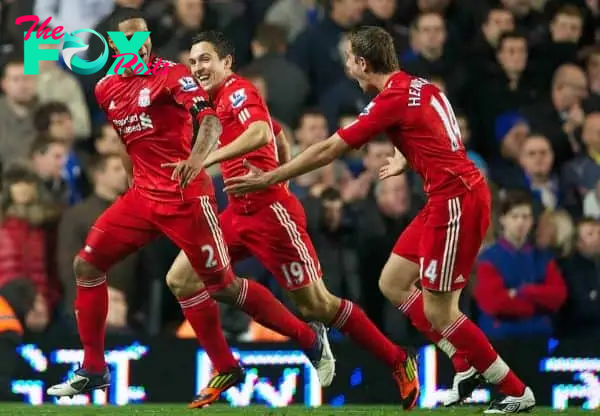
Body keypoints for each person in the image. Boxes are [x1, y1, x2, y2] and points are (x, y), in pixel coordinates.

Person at [224, 26, 536, 414]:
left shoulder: (390, 99)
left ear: (362, 63)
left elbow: (330, 149)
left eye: (349, 57)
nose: (346, 64)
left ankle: (514, 389)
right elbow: (436, 125)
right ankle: (463, 362)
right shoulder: (418, 85)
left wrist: (272, 176)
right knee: (393, 282)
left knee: (442, 310)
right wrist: (407, 154)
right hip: (447, 196)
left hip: (457, 201)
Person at [45, 10, 330, 409]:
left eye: (142, 36)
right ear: (113, 46)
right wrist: (131, 178)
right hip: (142, 198)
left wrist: (198, 160)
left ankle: (306, 337)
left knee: (223, 287)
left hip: (186, 198)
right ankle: (94, 368)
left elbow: (209, 122)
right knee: (87, 266)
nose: (139, 44)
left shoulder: (173, 75)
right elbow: (129, 141)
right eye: (128, 39)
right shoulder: (106, 88)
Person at [166, 30, 420, 410]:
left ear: (227, 63)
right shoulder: (214, 101)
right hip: (237, 212)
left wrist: (210, 162)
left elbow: (259, 132)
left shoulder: (238, 91)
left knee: (319, 304)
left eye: (205, 59)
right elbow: (278, 131)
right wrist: (281, 166)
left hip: (271, 214)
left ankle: (398, 359)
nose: (198, 67)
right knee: (182, 279)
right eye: (193, 61)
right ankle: (301, 341)